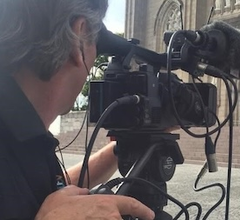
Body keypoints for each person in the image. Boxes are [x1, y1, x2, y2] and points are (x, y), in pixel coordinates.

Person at [0, 0, 155, 219]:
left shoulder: (23, 131)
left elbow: (45, 191)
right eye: (97, 44)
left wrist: (123, 147)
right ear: (79, 37)